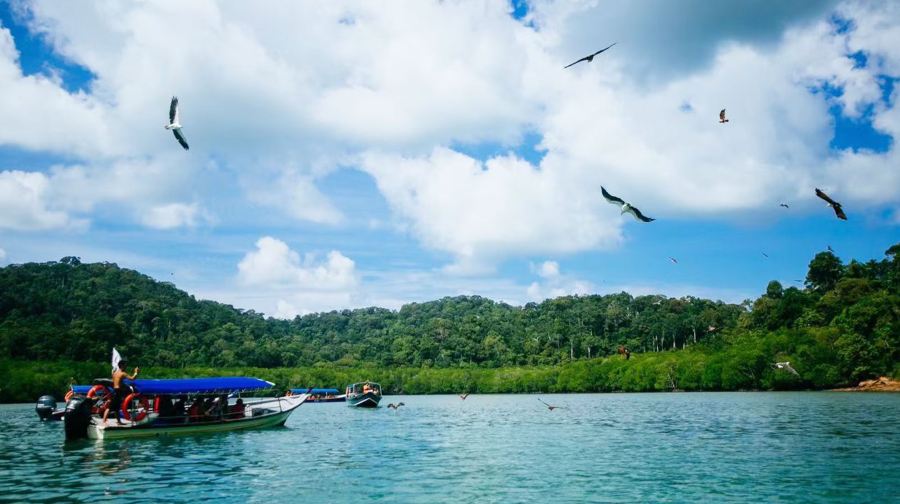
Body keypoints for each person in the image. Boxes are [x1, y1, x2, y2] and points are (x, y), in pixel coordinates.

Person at [102, 360, 140, 425]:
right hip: (118, 392)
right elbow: (132, 378)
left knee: (117, 408)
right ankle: (104, 421)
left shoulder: (114, 373)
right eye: (125, 365)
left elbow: (116, 382)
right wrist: (136, 372)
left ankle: (119, 421)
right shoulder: (123, 373)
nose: (126, 366)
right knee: (110, 407)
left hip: (115, 390)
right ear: (122, 365)